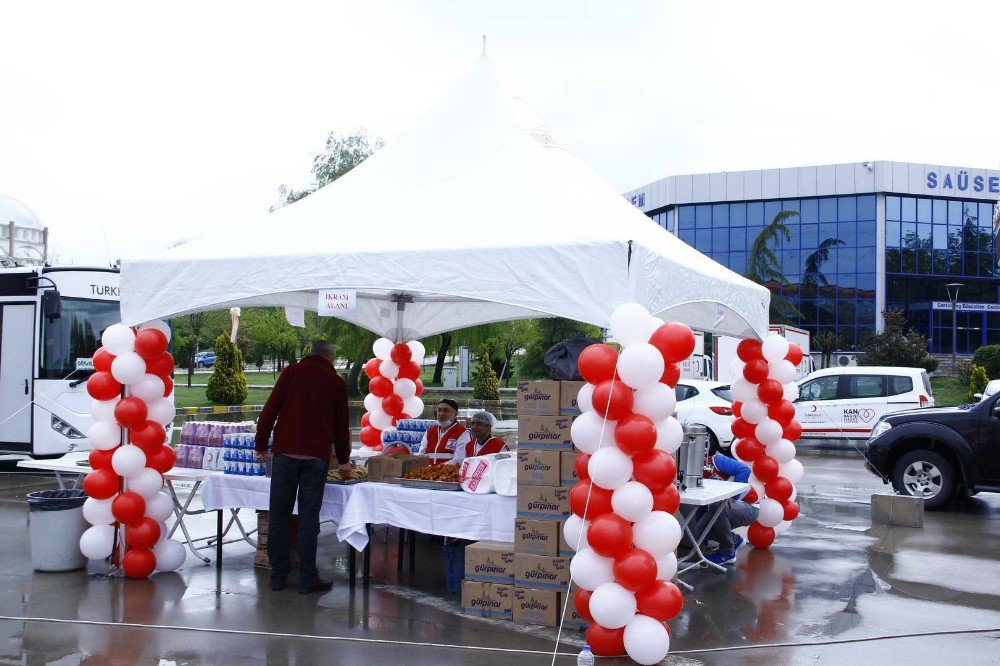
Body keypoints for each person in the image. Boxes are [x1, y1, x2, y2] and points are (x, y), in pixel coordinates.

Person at [254, 339, 350, 594]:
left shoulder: (292, 372)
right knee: (309, 519)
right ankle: (308, 578)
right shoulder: (337, 383)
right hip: (316, 459)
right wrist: (344, 460)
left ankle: (277, 575)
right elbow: (341, 427)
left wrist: (261, 445)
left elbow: (270, 410)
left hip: (284, 454)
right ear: (330, 357)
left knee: (279, 516)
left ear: (311, 354)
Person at [693, 452, 759, 567]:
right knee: (699, 530)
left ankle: (727, 553)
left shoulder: (715, 461)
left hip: (750, 506)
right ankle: (735, 540)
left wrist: (732, 497)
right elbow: (701, 506)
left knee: (719, 506)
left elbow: (744, 470)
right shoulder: (693, 475)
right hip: (722, 509)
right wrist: (702, 541)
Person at [416, 399, 470, 465]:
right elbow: (421, 454)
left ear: (455, 415)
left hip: (449, 473)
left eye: (446, 411)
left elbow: (459, 460)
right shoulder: (430, 431)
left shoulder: (462, 433)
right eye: (439, 410)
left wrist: (436, 469)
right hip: (427, 473)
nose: (441, 413)